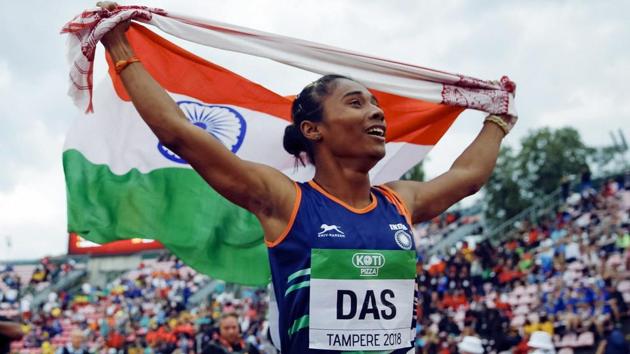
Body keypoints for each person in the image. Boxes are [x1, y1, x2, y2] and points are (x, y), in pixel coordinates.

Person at [95, 2, 516, 352]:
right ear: (314, 130)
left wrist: (497, 120)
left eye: (376, 104)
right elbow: (181, 135)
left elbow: (467, 177)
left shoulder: (400, 202)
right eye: (356, 103)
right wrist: (119, 46)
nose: (377, 113)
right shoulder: (284, 200)